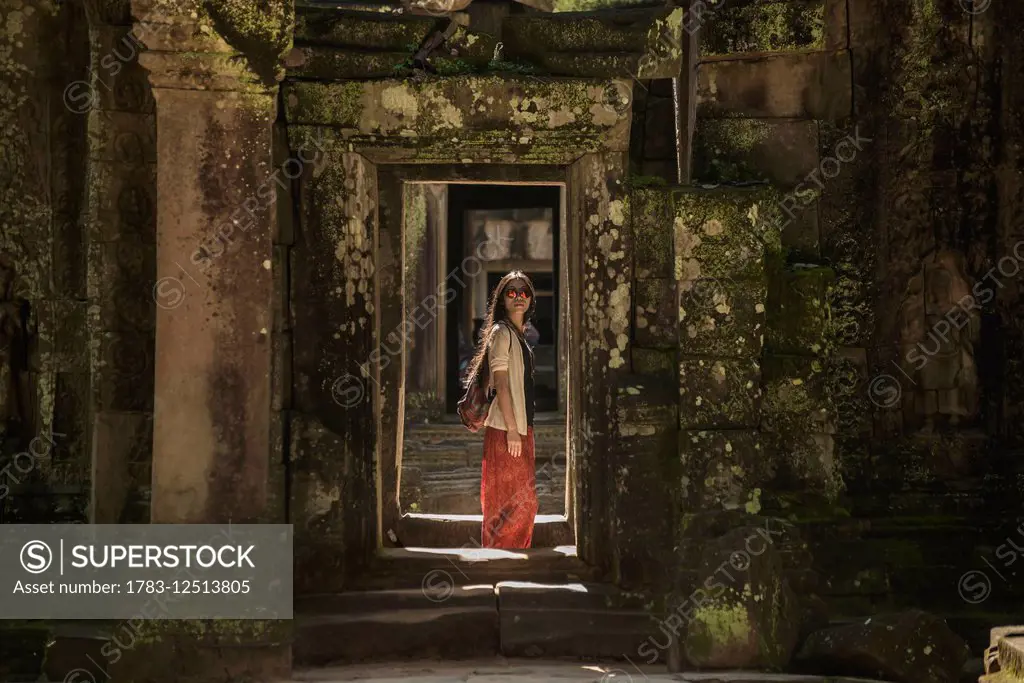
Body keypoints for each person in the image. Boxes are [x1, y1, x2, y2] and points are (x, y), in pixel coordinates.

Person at [462, 271, 538, 548]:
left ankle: (511, 560)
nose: (519, 297)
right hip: (506, 429)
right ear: (502, 299)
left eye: (524, 292)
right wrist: (513, 431)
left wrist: (521, 431)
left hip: (521, 428)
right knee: (514, 504)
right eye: (511, 292)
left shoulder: (519, 336)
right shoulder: (501, 332)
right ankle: (501, 562)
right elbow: (502, 385)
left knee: (521, 503)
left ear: (531, 299)